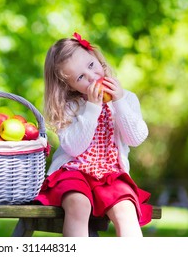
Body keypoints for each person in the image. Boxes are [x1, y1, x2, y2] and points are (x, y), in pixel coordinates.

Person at [34, 32, 153, 237]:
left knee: (126, 210)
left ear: (96, 58)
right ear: (68, 85)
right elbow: (73, 147)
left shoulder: (126, 98)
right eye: (81, 77)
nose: (92, 77)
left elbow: (136, 138)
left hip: (111, 175)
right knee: (78, 204)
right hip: (73, 172)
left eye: (91, 65)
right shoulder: (70, 106)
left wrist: (120, 102)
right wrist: (92, 108)